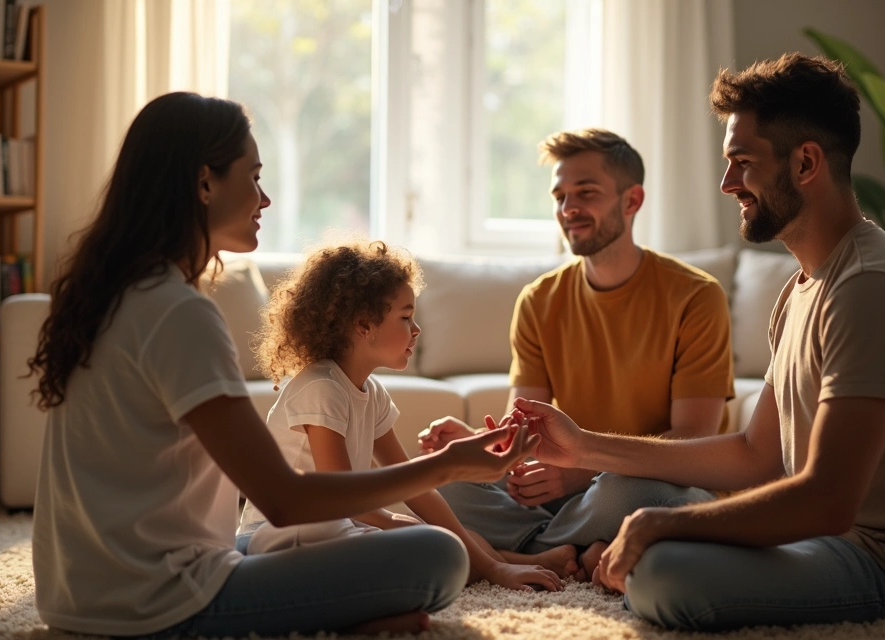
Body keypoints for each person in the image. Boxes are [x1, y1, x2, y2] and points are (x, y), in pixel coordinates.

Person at [26, 92, 539, 639]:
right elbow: (283, 498)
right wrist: (448, 464)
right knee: (437, 556)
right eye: (253, 177)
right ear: (204, 183)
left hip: (76, 598)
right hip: (158, 606)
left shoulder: (116, 298)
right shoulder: (177, 313)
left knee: (412, 543)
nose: (264, 199)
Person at [509, 53, 885, 632]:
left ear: (806, 163)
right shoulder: (802, 289)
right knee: (651, 550)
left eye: (742, 163)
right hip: (825, 539)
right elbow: (755, 456)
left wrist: (666, 522)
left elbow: (831, 499)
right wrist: (582, 448)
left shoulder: (870, 287)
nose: (728, 184)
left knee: (661, 572)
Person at [419, 128, 736, 579]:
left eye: (586, 193)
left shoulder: (696, 296)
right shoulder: (539, 299)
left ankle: (524, 551)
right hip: (572, 489)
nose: (569, 210)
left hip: (649, 483)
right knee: (443, 482)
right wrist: (477, 446)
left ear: (632, 200)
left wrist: (584, 468)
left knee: (627, 496)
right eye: (560, 196)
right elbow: (524, 429)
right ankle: (583, 552)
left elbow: (693, 438)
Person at [235, 239, 571, 589]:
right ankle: (508, 564)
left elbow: (418, 487)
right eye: (406, 317)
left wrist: (419, 528)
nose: (417, 329)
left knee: (447, 538)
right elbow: (341, 497)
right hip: (277, 537)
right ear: (364, 324)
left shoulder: (372, 393)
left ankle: (513, 564)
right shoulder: (321, 387)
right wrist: (398, 524)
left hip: (335, 527)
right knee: (434, 549)